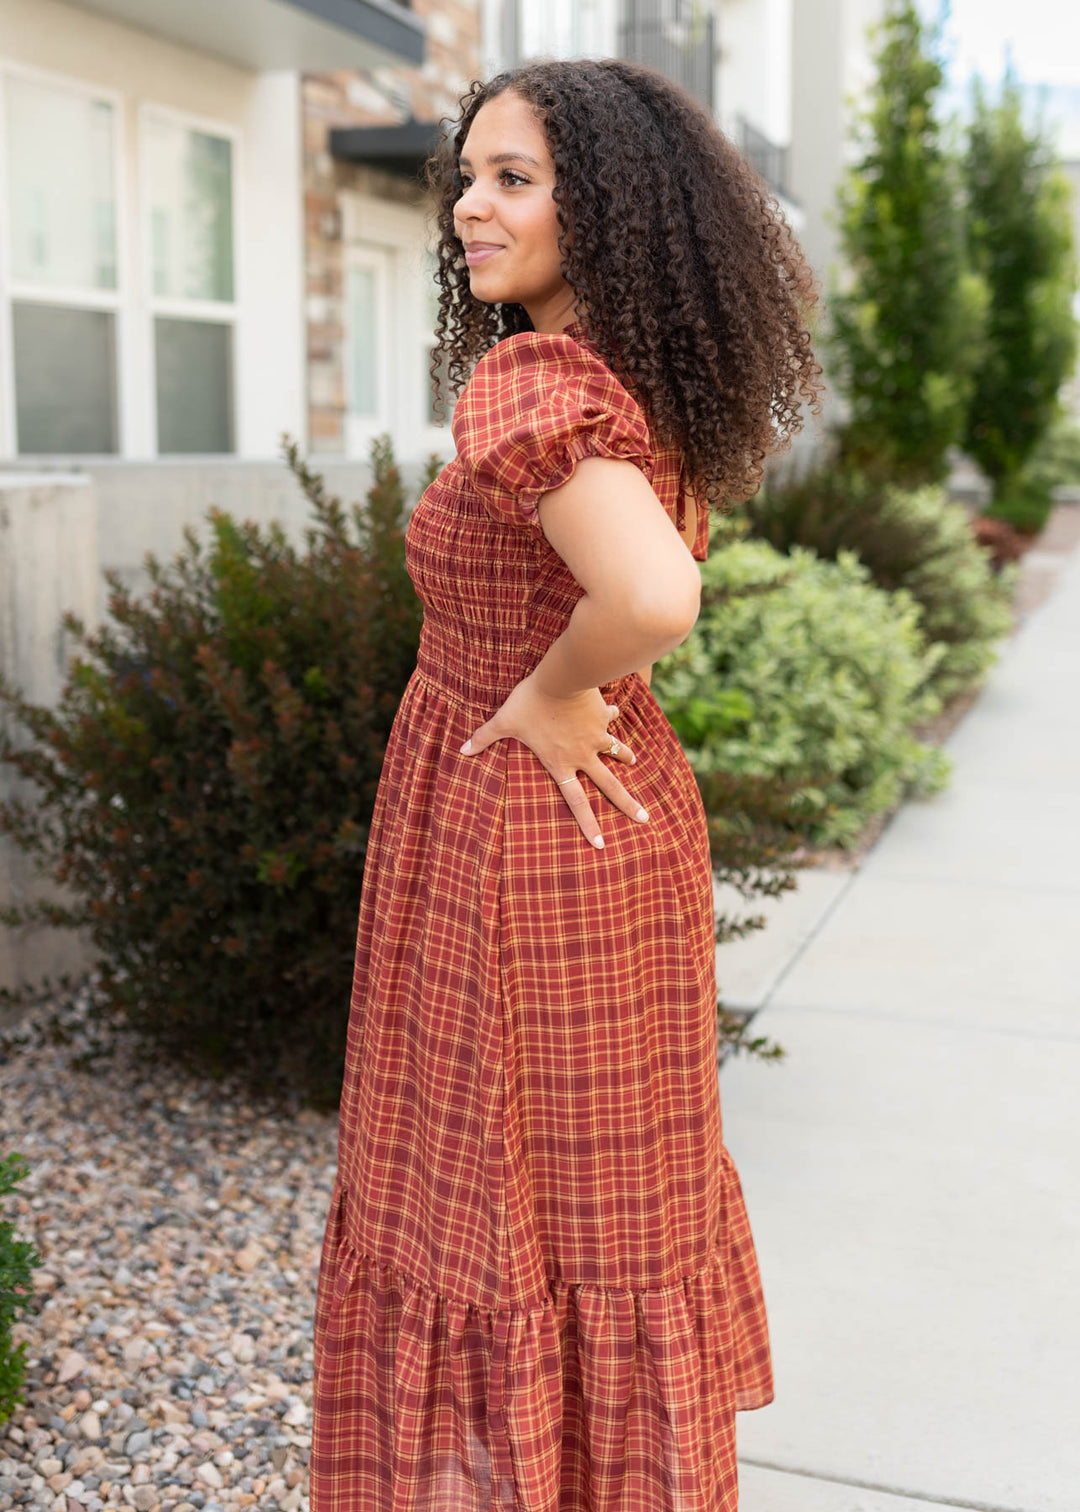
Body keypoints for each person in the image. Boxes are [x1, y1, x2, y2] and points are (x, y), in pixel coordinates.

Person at [310, 57, 822, 1512]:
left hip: (517, 839)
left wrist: (542, 691)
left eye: (514, 179)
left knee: (480, 1201)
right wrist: (569, 686)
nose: (470, 207)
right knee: (601, 1197)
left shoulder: (532, 381)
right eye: (466, 178)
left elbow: (652, 596)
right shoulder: (633, 382)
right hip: (615, 826)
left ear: (605, 208)